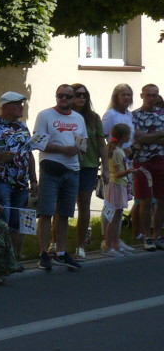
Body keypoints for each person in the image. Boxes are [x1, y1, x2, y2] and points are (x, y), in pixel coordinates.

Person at [0, 91, 37, 270]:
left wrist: (34, 179)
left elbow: (29, 154)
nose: (21, 107)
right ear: (5, 106)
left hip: (21, 182)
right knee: (2, 220)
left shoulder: (22, 127)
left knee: (16, 223)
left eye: (22, 104)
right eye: (17, 103)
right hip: (0, 180)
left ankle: (10, 259)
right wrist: (2, 156)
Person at [33, 85, 85, 271]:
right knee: (46, 212)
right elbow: (38, 142)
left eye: (68, 96)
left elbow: (83, 142)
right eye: (60, 95)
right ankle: (43, 254)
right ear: (56, 97)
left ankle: (61, 253)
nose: (63, 99)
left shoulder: (78, 118)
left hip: (73, 170)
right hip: (51, 169)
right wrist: (62, 149)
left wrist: (79, 148)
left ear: (73, 99)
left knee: (64, 213)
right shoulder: (45, 115)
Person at [70, 83, 108, 258]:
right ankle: (55, 243)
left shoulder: (94, 117)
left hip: (89, 165)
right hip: (68, 164)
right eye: (78, 94)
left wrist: (106, 168)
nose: (82, 98)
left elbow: (101, 143)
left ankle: (80, 246)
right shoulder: (64, 116)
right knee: (62, 203)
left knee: (84, 203)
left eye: (85, 95)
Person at [101, 84, 136, 252]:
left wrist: (128, 151)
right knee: (111, 204)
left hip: (126, 157)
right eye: (123, 94)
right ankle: (106, 239)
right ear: (116, 97)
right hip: (114, 159)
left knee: (121, 205)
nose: (127, 98)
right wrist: (116, 152)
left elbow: (131, 137)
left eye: (129, 94)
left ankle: (117, 239)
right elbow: (104, 138)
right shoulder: (110, 115)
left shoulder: (129, 114)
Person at [131, 84, 164, 251]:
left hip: (161, 160)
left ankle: (157, 234)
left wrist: (147, 137)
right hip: (142, 161)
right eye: (149, 95)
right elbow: (139, 140)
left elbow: (145, 138)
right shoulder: (134, 116)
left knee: (161, 200)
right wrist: (159, 134)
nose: (152, 98)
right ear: (142, 95)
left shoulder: (162, 114)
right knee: (144, 200)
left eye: (155, 95)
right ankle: (147, 236)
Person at [103, 123, 135, 257]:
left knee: (118, 216)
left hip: (120, 185)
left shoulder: (119, 150)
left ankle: (116, 243)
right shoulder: (116, 152)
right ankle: (108, 246)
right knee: (114, 218)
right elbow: (116, 173)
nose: (130, 136)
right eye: (128, 134)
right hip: (116, 185)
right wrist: (130, 171)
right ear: (124, 136)